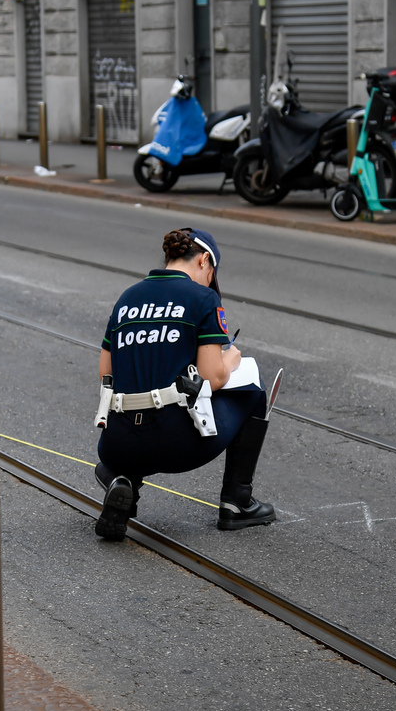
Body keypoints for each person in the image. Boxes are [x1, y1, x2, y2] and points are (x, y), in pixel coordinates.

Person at [93, 228, 277, 541]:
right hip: (177, 444)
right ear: (204, 261)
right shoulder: (202, 298)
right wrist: (230, 358)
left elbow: (106, 373)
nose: (209, 283)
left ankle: (122, 480)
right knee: (253, 385)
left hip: (117, 445)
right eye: (211, 276)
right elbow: (212, 377)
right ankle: (237, 501)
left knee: (137, 402)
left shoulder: (127, 298)